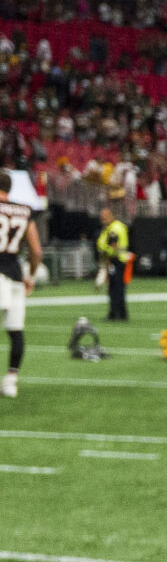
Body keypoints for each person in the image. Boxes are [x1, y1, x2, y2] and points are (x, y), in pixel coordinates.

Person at [0, 168, 42, 398]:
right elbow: (36, 251)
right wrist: (31, 276)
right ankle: (11, 380)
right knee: (16, 331)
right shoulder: (25, 210)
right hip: (15, 274)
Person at [96, 203, 131, 320]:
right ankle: (122, 314)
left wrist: (108, 262)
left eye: (105, 217)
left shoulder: (113, 229)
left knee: (114, 289)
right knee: (119, 288)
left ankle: (115, 313)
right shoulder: (117, 226)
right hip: (119, 260)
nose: (103, 220)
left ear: (111, 216)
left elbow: (113, 248)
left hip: (115, 261)